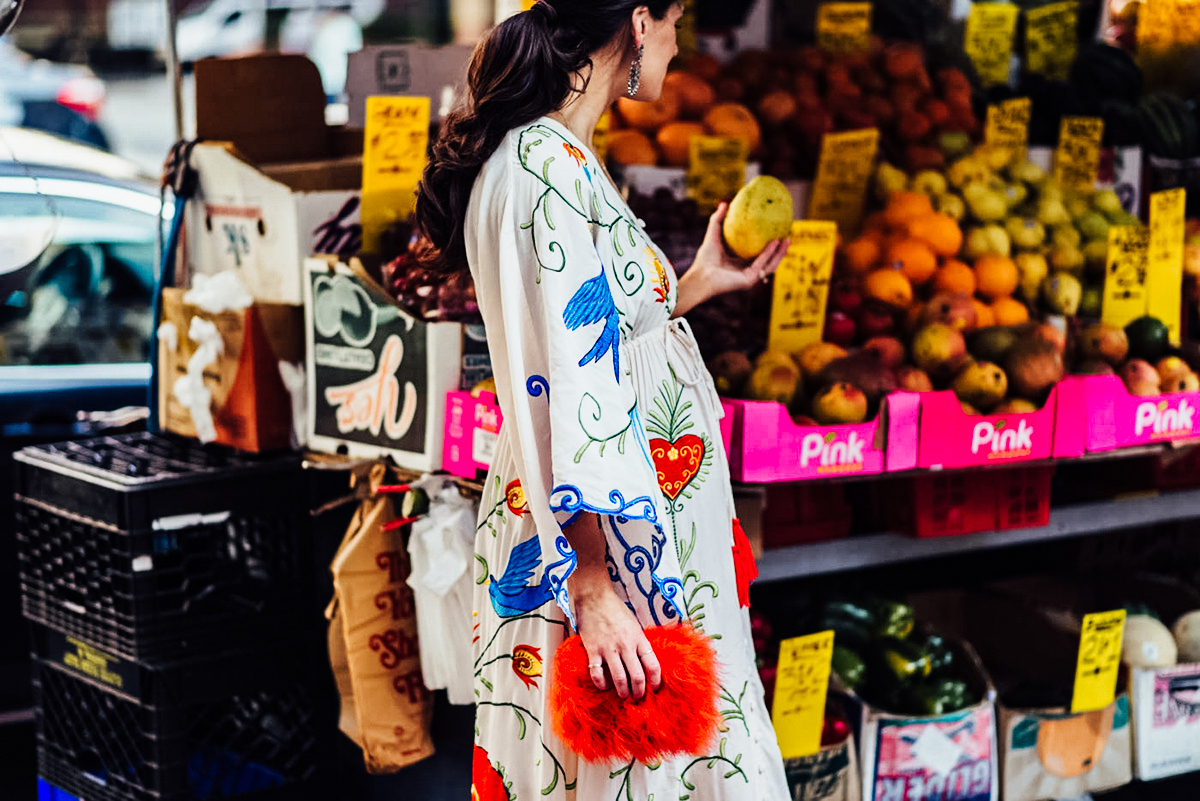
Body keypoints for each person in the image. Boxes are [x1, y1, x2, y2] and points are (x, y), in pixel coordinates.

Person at [415, 2, 791, 798]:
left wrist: (691, 287)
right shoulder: (541, 167)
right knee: (632, 767)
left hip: (629, 533)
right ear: (641, 19)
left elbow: (594, 336)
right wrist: (588, 579)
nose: (683, 41)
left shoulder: (561, 155)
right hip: (603, 545)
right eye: (681, 18)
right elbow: (560, 385)